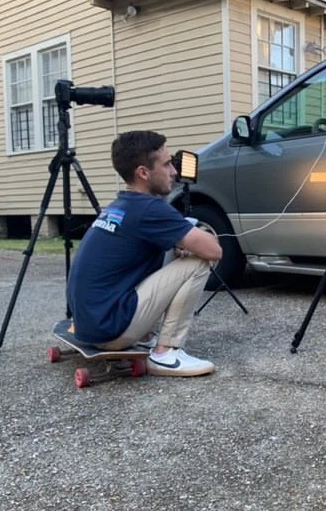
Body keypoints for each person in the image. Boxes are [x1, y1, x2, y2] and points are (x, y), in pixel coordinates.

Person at [66, 130, 222, 375]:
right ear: (143, 173)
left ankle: (145, 336)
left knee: (170, 247)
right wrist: (200, 239)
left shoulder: (122, 204)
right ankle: (166, 352)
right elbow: (214, 251)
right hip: (110, 330)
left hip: (89, 326)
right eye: (167, 164)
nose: (175, 172)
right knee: (199, 261)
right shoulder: (150, 209)